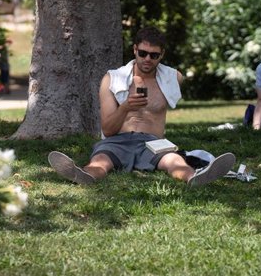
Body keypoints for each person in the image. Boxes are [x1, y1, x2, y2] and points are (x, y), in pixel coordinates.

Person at [48, 26, 236, 186]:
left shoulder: (173, 78)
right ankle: (84, 175)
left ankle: (194, 178)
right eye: (143, 53)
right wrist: (125, 107)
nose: (147, 59)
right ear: (135, 50)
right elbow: (107, 129)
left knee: (174, 161)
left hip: (153, 142)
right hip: (117, 140)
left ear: (161, 55)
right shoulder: (112, 79)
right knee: (100, 162)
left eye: (154, 55)